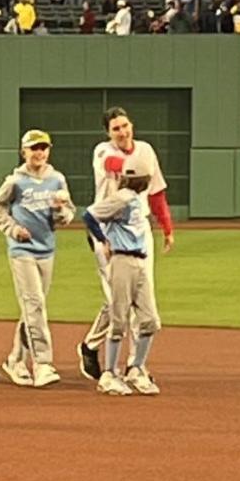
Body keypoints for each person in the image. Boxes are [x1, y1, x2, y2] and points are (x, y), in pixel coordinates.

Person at [78, 106, 173, 382]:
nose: (122, 131)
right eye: (116, 128)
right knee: (115, 300)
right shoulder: (103, 151)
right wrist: (139, 167)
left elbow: (156, 192)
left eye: (125, 125)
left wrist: (167, 226)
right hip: (106, 230)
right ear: (108, 133)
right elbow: (114, 166)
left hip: (139, 230)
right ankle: (92, 347)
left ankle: (135, 365)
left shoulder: (145, 149)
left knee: (142, 296)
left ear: (132, 124)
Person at [0, 130, 76, 389]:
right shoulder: (15, 181)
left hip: (46, 249)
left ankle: (15, 359)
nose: (39, 153)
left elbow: (68, 215)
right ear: (23, 151)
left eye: (43, 148)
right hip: (22, 251)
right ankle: (42, 363)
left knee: (32, 308)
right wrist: (13, 229)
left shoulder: (56, 179)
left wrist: (61, 211)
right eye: (34, 148)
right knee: (34, 303)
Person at [83, 158, 162, 395]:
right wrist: (102, 239)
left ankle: (136, 369)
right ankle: (108, 374)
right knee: (119, 321)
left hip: (139, 262)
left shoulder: (135, 199)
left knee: (150, 320)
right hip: (122, 261)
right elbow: (89, 215)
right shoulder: (122, 197)